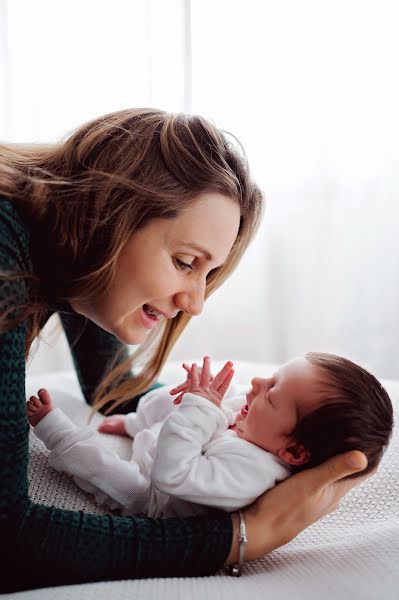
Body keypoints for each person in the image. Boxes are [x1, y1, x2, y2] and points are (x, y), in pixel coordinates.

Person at [0, 108, 372, 593]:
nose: (195, 303)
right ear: (107, 215)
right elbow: (10, 537)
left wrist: (237, 420)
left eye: (207, 274)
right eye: (185, 262)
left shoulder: (67, 263)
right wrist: (246, 535)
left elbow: (117, 391)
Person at [26, 353, 393, 519]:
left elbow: (172, 476)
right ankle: (131, 423)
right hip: (164, 443)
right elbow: (206, 416)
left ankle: (58, 435)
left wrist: (200, 411)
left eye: (273, 393)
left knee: (107, 471)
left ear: (294, 451)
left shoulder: (250, 474)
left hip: (155, 494)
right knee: (168, 399)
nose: (257, 383)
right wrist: (198, 398)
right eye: (272, 375)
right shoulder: (259, 427)